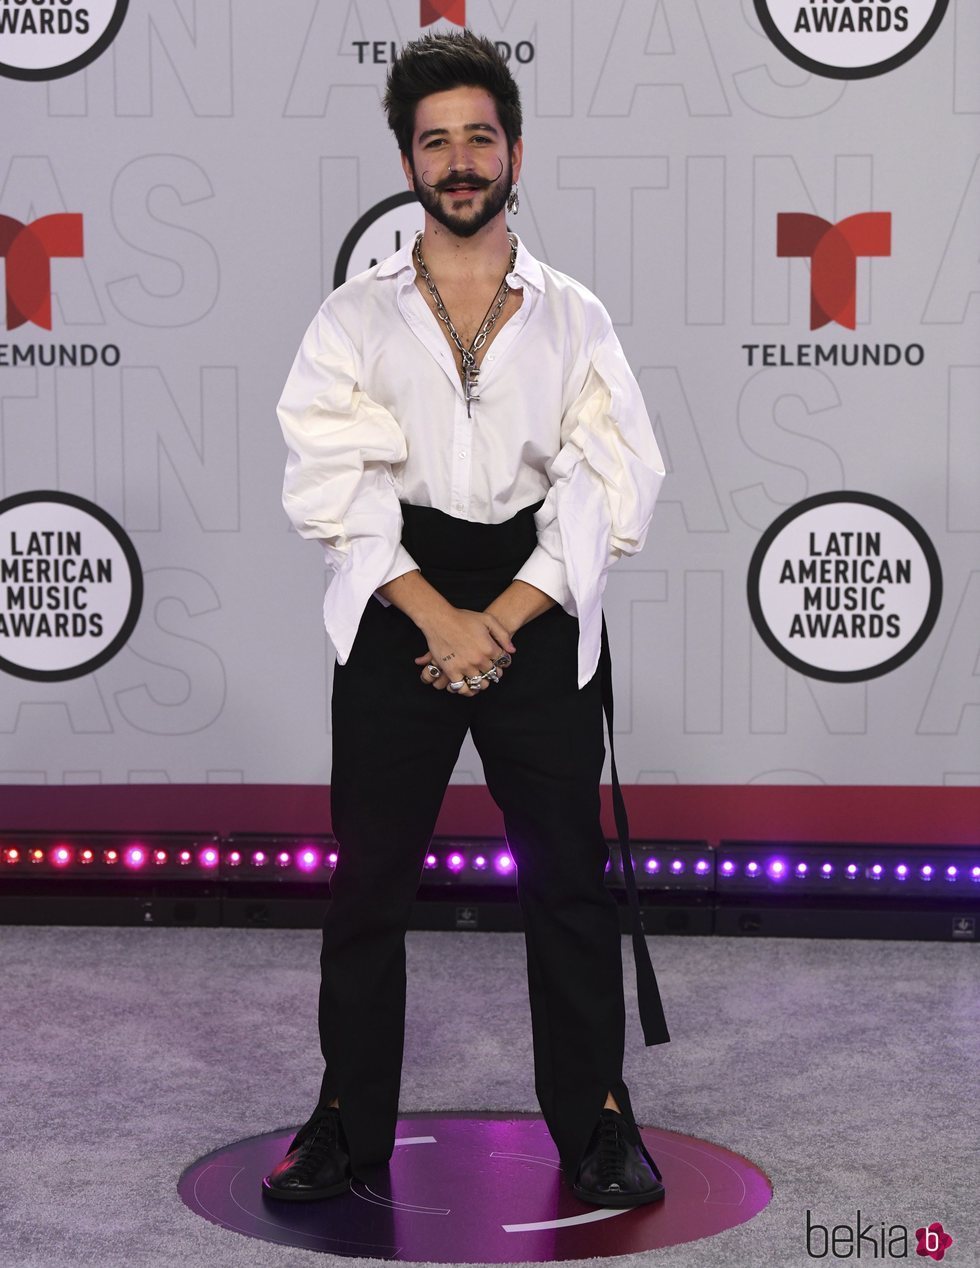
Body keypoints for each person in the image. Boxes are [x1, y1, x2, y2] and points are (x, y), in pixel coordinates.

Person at [263, 29, 670, 1209]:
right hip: (399, 595)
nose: (457, 160)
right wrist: (435, 614)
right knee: (370, 879)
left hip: (535, 594)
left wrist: (500, 614)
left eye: (477, 137)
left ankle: (594, 1115)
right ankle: (346, 1120)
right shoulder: (351, 317)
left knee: (566, 879)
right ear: (405, 160)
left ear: (514, 152)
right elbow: (331, 480)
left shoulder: (575, 317)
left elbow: (609, 479)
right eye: (433, 140)